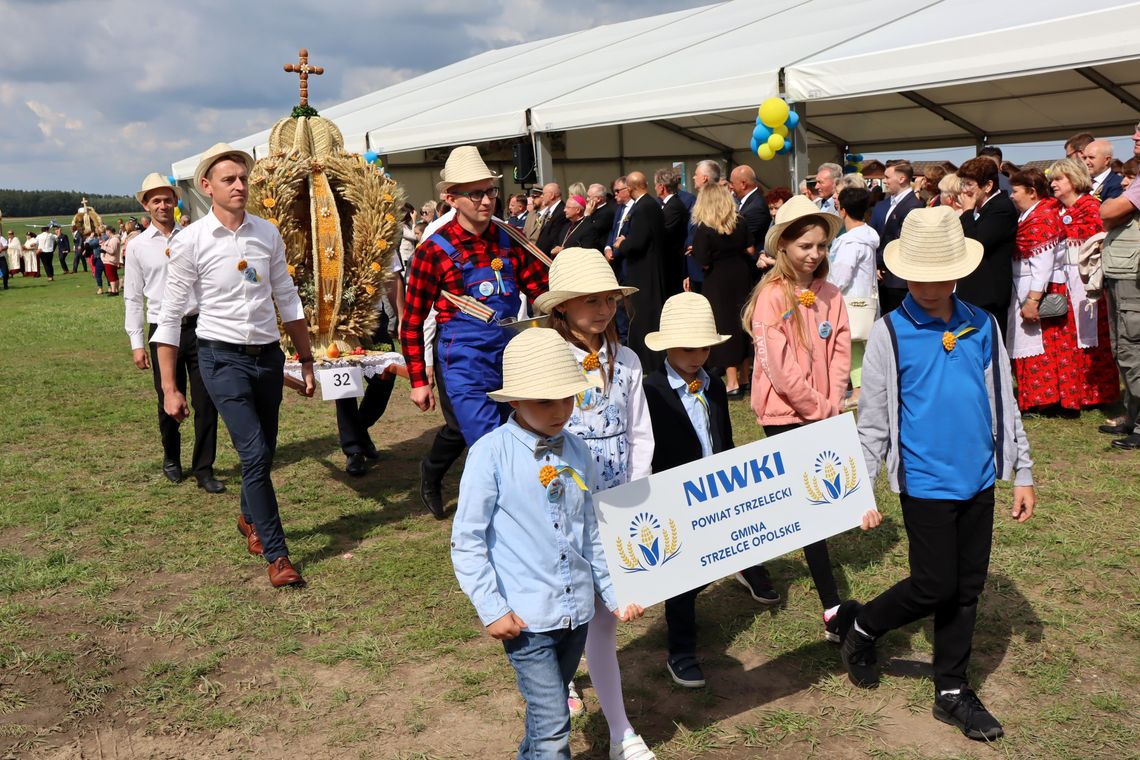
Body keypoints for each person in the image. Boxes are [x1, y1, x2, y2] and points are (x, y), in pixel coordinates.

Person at [843, 205, 1035, 742]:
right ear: (903, 273)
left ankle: (951, 689)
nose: (930, 286)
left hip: (977, 477)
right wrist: (864, 487)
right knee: (934, 583)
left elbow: (1005, 402)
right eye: (919, 276)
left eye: (941, 275)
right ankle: (863, 625)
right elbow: (874, 419)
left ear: (959, 271)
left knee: (966, 588)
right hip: (925, 481)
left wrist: (1022, 471)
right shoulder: (890, 332)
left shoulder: (982, 323)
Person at [450, 328, 644, 760]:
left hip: (574, 615)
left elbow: (591, 531)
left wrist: (612, 592)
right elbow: (467, 541)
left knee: (545, 716)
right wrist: (492, 607)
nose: (560, 410)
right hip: (526, 617)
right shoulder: (489, 455)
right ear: (514, 401)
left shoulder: (578, 452)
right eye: (544, 400)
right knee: (556, 727)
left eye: (567, 397)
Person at [154, 142, 316, 588]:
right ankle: (278, 556)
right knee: (255, 453)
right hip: (219, 358)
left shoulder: (267, 233)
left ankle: (249, 518)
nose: (240, 185)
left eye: (244, 178)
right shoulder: (191, 241)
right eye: (229, 179)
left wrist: (305, 360)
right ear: (206, 187)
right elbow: (169, 316)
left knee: (264, 449)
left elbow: (287, 297)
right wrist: (170, 387)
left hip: (267, 357)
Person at [534, 249, 656, 760]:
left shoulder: (626, 361)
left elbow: (640, 431)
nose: (603, 308)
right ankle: (558, 680)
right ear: (562, 307)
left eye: (609, 299)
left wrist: (634, 491)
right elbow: (532, 430)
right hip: (560, 504)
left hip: (613, 506)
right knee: (562, 609)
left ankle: (620, 730)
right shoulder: (545, 358)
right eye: (590, 300)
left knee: (604, 618)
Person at [401, 146, 549, 518]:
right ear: (450, 198)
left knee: (514, 433)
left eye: (491, 192)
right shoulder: (432, 251)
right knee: (488, 443)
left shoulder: (509, 240)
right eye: (476, 193)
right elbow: (413, 321)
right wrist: (420, 380)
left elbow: (540, 290)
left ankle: (510, 511)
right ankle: (499, 519)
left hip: (510, 354)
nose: (487, 201)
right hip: (462, 359)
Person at [642, 292, 775, 688]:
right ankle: (681, 651)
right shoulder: (649, 392)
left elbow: (724, 438)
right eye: (687, 347)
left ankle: (747, 565)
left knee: (737, 535)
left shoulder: (715, 385)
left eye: (704, 346)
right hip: (674, 495)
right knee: (682, 578)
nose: (697, 355)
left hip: (717, 488)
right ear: (666, 346)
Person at [743, 195, 856, 635]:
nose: (814, 254)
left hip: (824, 412)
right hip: (785, 414)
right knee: (805, 505)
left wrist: (834, 398)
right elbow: (778, 363)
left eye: (822, 246)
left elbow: (842, 348)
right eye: (805, 246)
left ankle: (759, 567)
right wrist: (815, 405)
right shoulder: (773, 296)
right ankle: (831, 604)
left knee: (810, 504)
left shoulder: (831, 294)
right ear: (784, 247)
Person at [124, 172, 223, 493]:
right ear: (146, 205)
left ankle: (204, 468)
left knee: (207, 401)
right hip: (162, 332)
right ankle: (171, 458)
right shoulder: (137, 246)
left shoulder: (192, 237)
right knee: (168, 397)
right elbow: (133, 296)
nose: (163, 205)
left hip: (199, 328)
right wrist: (137, 342)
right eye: (156, 200)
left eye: (167, 199)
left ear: (175, 201)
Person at [1043, 160, 1121, 412]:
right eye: (1052, 179)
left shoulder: (1091, 207)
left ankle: (1094, 395)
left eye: (1059, 179)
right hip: (1060, 282)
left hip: (1086, 283)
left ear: (1074, 180)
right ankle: (1067, 394)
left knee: (1091, 341)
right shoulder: (1051, 208)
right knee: (1063, 340)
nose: (1053, 184)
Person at [1006, 167, 1073, 413]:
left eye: (1015, 191)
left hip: (1037, 286)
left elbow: (1042, 266)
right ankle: (1032, 397)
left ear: (1032, 192)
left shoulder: (1042, 217)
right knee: (1026, 343)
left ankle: (1042, 400)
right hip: (1024, 283)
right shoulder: (1029, 216)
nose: (1012, 196)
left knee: (1038, 345)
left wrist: (1033, 300)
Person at [690, 182, 754, 397]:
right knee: (743, 323)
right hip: (742, 274)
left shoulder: (704, 229)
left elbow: (704, 261)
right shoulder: (741, 222)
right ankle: (745, 377)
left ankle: (733, 381)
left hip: (718, 279)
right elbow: (750, 248)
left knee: (724, 326)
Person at [1098, 152, 1140, 449]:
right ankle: (1133, 416)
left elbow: (1107, 212)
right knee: (1123, 349)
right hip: (1121, 277)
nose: (1124, 181)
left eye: (1130, 176)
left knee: (1133, 350)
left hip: (1132, 281)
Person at [828, 187, 880, 410]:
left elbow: (841, 274)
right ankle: (861, 389)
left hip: (850, 300)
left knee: (852, 347)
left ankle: (859, 390)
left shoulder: (851, 241)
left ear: (843, 211)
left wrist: (827, 290)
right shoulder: (867, 236)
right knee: (859, 347)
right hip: (864, 299)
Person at [957, 157, 1017, 337]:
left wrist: (966, 212)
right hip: (972, 292)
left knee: (988, 348)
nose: (964, 190)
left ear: (988, 186)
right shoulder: (982, 207)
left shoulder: (1001, 208)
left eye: (969, 184)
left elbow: (976, 243)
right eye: (963, 184)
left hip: (988, 295)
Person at [614, 171, 668, 369]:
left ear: (630, 188)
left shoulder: (643, 208)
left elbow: (638, 242)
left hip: (644, 271)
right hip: (651, 267)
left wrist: (622, 243)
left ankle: (648, 358)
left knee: (645, 315)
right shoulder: (651, 204)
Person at [875, 161, 923, 316]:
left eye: (888, 177)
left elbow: (900, 240)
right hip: (887, 275)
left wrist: (878, 262)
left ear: (901, 179)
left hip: (899, 280)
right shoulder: (891, 203)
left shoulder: (912, 205)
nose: (885, 181)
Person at [731, 165, 773, 273]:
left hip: (752, 268)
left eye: (732, 183)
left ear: (743, 184)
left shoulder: (756, 207)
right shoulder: (748, 203)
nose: (731, 187)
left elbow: (741, 239)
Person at [654, 168, 688, 297]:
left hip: (673, 263)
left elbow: (664, 233)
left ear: (662, 187)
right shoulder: (669, 205)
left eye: (656, 185)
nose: (655, 188)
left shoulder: (673, 207)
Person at [536, 182, 570, 256]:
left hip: (549, 257)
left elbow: (553, 238)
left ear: (551, 195)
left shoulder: (561, 212)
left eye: (544, 194)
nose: (541, 196)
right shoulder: (551, 211)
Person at [100, 225, 122, 295]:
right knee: (114, 276)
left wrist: (103, 247)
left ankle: (113, 291)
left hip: (110, 260)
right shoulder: (112, 239)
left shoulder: (114, 239)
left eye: (106, 231)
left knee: (111, 276)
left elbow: (112, 251)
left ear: (109, 231)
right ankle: (115, 290)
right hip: (111, 260)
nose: (105, 233)